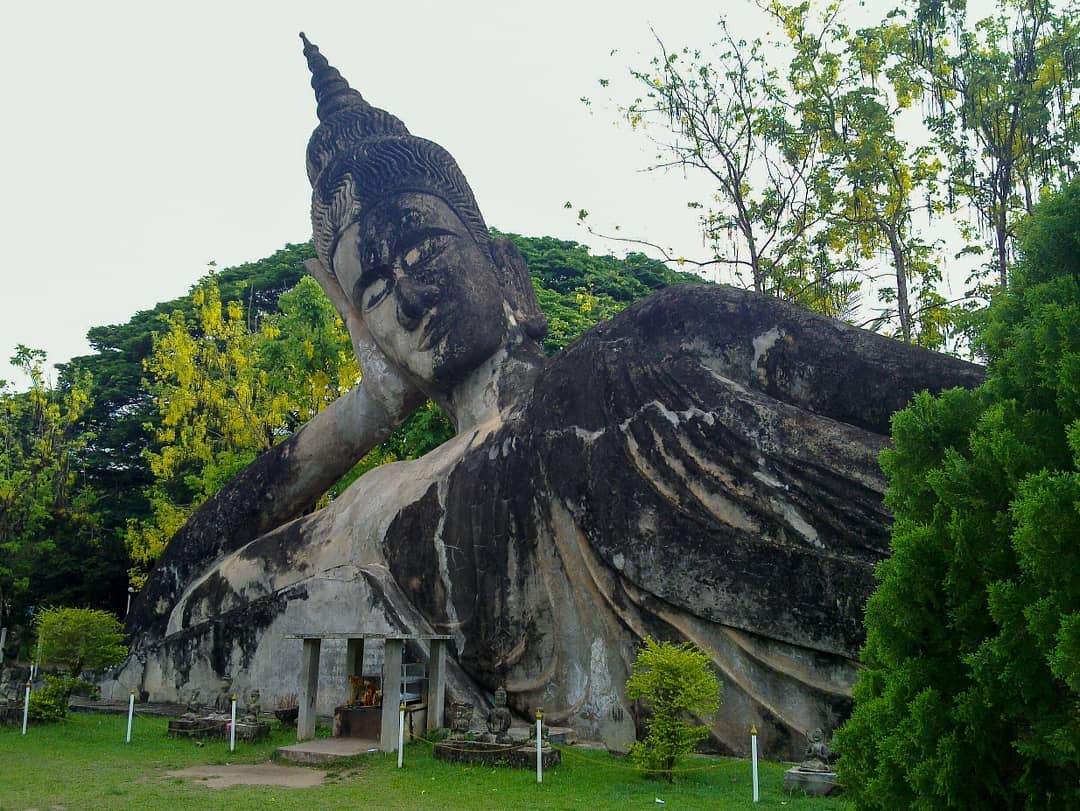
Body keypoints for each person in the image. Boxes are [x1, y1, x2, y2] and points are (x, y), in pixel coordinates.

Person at [114, 34, 983, 758]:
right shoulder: (373, 499)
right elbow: (170, 609)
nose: (409, 296)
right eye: (375, 291)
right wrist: (368, 410)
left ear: (506, 272)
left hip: (672, 436)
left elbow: (918, 396)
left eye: (424, 251)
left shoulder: (639, 348)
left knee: (616, 368)